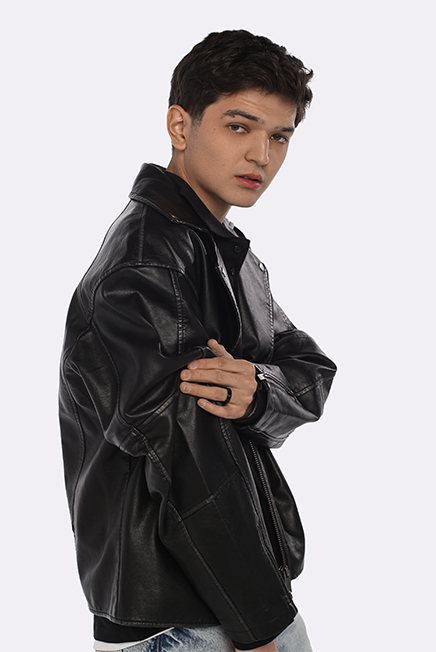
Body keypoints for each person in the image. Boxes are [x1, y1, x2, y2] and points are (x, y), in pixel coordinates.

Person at [59, 29, 337, 652]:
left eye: (280, 136)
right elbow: (185, 458)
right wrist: (259, 627)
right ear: (180, 125)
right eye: (239, 126)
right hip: (186, 622)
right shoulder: (147, 266)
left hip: (228, 601)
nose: (261, 155)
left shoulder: (217, 249)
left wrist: (258, 387)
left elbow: (311, 365)